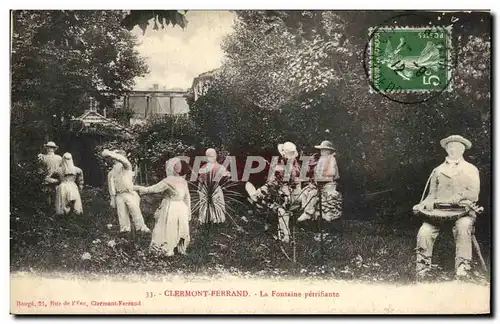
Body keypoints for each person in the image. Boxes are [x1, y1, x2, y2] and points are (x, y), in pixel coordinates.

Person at [413, 135, 480, 280]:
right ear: (446, 149)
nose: (453, 149)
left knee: (463, 227)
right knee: (424, 231)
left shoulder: (470, 169)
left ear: (462, 150)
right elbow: (431, 194)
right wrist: (423, 204)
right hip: (438, 212)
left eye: (456, 147)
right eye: (450, 147)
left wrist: (460, 198)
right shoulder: (437, 170)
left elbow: (474, 194)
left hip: (462, 212)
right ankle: (422, 268)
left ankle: (463, 267)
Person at [134, 158, 191, 256]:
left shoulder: (171, 181)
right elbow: (187, 198)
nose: (176, 166)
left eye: (177, 165)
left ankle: (167, 248)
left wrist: (137, 188)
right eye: (175, 165)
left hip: (172, 206)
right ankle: (175, 248)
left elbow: (153, 189)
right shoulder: (181, 181)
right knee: (176, 227)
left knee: (168, 227)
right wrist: (188, 210)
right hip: (181, 207)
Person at [102, 149, 150, 234]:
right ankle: (125, 231)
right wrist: (112, 198)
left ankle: (141, 229)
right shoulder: (111, 173)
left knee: (135, 211)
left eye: (117, 156)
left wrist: (110, 153)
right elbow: (111, 187)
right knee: (122, 214)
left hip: (129, 193)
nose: (114, 159)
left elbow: (123, 160)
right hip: (119, 195)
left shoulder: (126, 166)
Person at [298, 140, 343, 223]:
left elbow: (331, 175)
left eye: (324, 150)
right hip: (320, 184)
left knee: (313, 194)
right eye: (321, 150)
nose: (322, 151)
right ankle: (305, 211)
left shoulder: (331, 159)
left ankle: (308, 212)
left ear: (328, 151)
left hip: (329, 184)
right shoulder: (322, 159)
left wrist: (319, 179)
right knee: (304, 192)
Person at [197, 148, 230, 225]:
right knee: (215, 202)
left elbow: (201, 181)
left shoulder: (204, 167)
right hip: (214, 189)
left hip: (207, 189)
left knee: (207, 203)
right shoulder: (220, 167)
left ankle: (207, 219)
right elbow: (227, 177)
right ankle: (216, 219)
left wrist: (199, 189)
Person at [38, 141, 62, 208]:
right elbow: (62, 169)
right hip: (57, 179)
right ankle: (56, 209)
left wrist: (43, 177)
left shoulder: (43, 157)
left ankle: (49, 209)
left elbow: (40, 170)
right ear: (54, 149)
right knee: (57, 194)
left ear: (47, 148)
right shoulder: (59, 158)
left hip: (47, 179)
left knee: (48, 195)